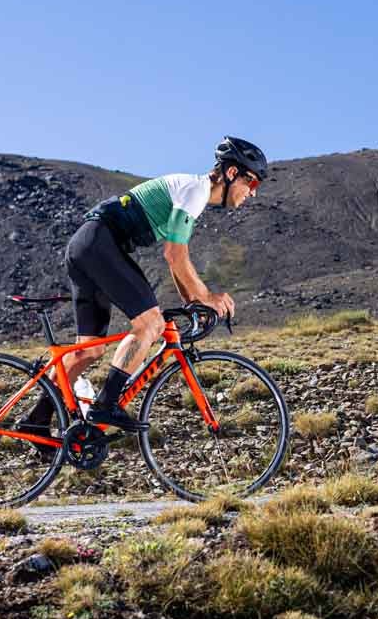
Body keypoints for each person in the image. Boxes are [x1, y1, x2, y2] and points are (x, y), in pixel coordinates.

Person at [18, 136, 268, 441]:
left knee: (90, 349)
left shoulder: (193, 192)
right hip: (99, 243)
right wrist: (206, 297)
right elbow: (175, 254)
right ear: (231, 173)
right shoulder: (196, 190)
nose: (252, 193)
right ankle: (105, 405)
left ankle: (36, 420)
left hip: (88, 245)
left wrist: (194, 303)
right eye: (252, 183)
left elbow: (176, 261)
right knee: (150, 323)